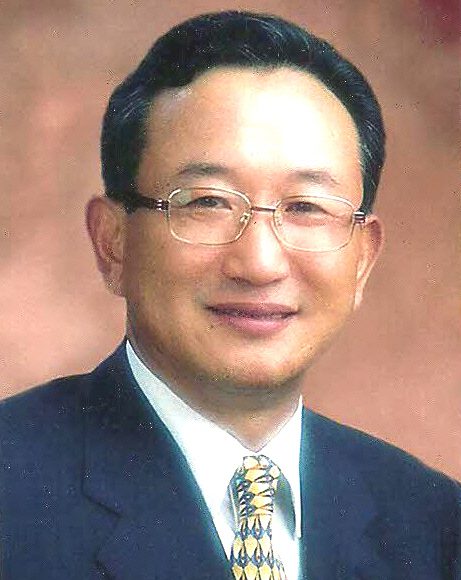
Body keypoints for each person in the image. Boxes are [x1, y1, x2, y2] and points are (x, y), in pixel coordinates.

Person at [0, 11, 459, 580]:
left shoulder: (436, 526)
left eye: (306, 207)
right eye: (208, 202)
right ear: (113, 242)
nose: (260, 264)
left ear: (363, 259)